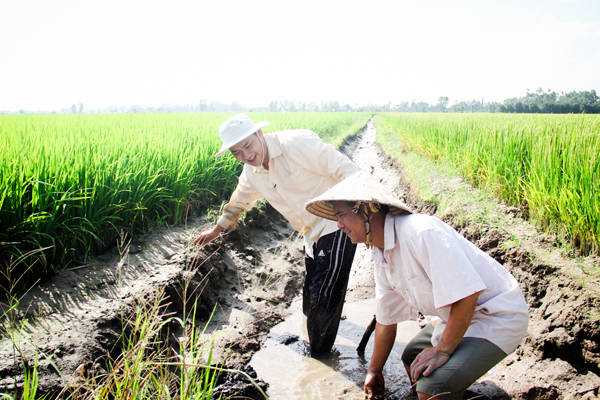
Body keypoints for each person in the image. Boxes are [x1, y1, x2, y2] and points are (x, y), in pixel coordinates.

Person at [305, 172, 529, 400]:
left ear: (368, 209)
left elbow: (467, 295)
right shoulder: (380, 251)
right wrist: (374, 370)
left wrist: (442, 351)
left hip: (495, 316)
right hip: (456, 315)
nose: (339, 225)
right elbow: (386, 319)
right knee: (412, 356)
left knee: (431, 387)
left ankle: (441, 391)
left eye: (341, 215)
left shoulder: (420, 232)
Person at [194, 114, 360, 355]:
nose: (246, 156)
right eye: (237, 152)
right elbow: (239, 201)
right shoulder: (252, 173)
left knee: (325, 293)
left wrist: (366, 212)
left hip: (337, 222)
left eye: (248, 145)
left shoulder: (296, 144)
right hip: (310, 231)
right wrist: (216, 230)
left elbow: (345, 168)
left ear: (259, 134)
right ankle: (311, 331)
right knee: (310, 297)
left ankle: (319, 357)